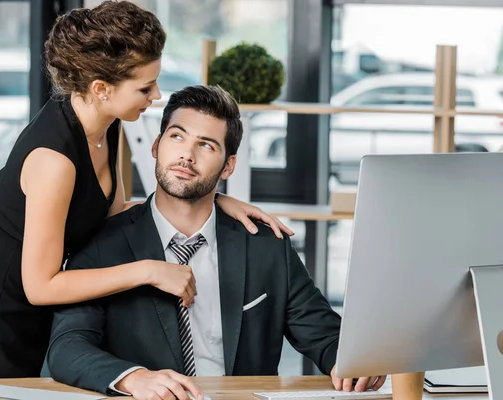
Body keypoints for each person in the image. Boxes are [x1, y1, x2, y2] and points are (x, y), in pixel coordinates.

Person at [0, 2, 292, 379]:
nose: (156, 95)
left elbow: (117, 213)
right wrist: (149, 271)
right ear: (101, 88)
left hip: (23, 306)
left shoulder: (107, 123)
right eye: (145, 86)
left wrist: (214, 200)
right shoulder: (54, 162)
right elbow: (41, 286)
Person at [46, 85, 387, 400]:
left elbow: (325, 336)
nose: (187, 155)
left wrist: (356, 362)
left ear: (228, 166)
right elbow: (67, 347)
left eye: (206, 145)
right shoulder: (104, 245)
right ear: (156, 146)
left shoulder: (265, 245)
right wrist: (134, 378)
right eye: (177, 136)